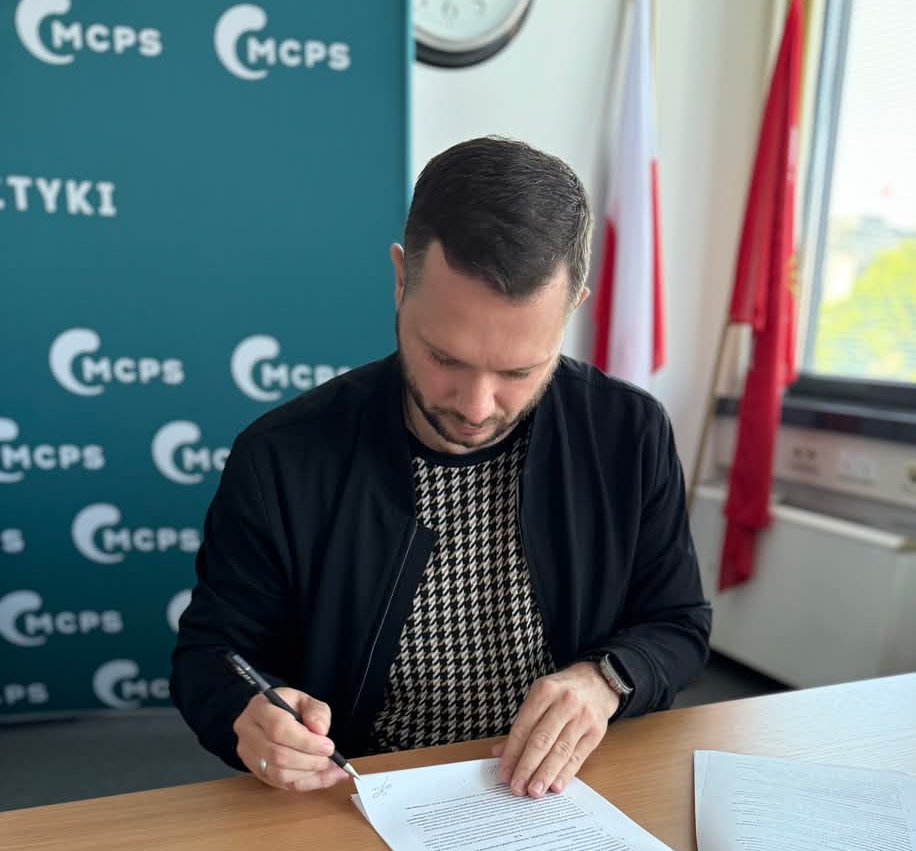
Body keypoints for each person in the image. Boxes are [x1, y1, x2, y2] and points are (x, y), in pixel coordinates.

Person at [171, 137, 711, 798]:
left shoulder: (628, 434)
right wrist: (249, 718)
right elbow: (212, 657)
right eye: (445, 358)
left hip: (566, 793)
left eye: (518, 371)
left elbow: (678, 623)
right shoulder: (283, 457)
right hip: (359, 796)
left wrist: (605, 680)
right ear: (401, 280)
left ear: (574, 307)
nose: (477, 408)